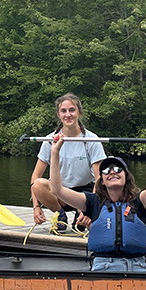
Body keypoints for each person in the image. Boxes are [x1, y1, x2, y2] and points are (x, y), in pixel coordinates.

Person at [49, 134, 146, 272]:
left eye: (117, 169)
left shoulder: (140, 202)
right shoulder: (92, 202)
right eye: (106, 170)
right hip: (103, 268)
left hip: (138, 268)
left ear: (126, 176)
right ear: (102, 181)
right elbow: (57, 190)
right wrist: (55, 152)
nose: (112, 172)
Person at [30, 93, 107, 231]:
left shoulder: (91, 140)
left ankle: (81, 215)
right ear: (59, 114)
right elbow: (35, 177)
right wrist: (36, 207)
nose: (68, 114)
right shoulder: (50, 140)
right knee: (38, 184)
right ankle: (61, 215)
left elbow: (99, 179)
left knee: (87, 223)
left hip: (84, 194)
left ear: (79, 112)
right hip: (60, 193)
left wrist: (90, 208)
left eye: (72, 110)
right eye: (63, 111)